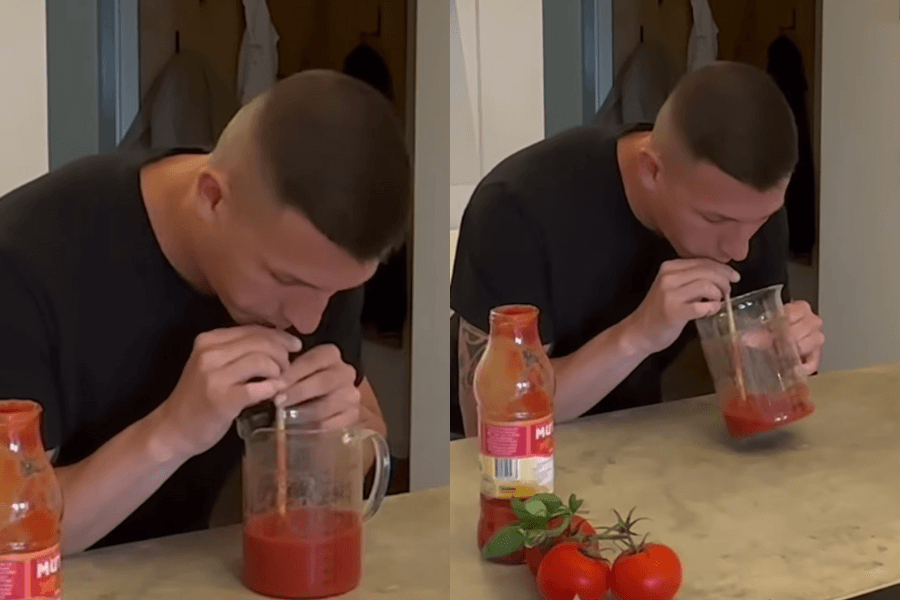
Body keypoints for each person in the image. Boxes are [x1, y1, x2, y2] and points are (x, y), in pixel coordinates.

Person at [0, 70, 410, 553]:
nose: (309, 321)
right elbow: (10, 534)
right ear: (212, 197)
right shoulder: (26, 263)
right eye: (286, 281)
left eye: (339, 290)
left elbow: (368, 433)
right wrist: (172, 432)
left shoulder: (315, 265)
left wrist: (338, 442)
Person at [450, 61, 825, 436]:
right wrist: (638, 335)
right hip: (512, 469)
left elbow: (748, 388)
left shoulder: (745, 208)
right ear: (651, 171)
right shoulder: (518, 208)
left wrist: (781, 353)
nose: (740, 248)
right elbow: (490, 422)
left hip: (635, 443)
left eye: (760, 221)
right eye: (715, 221)